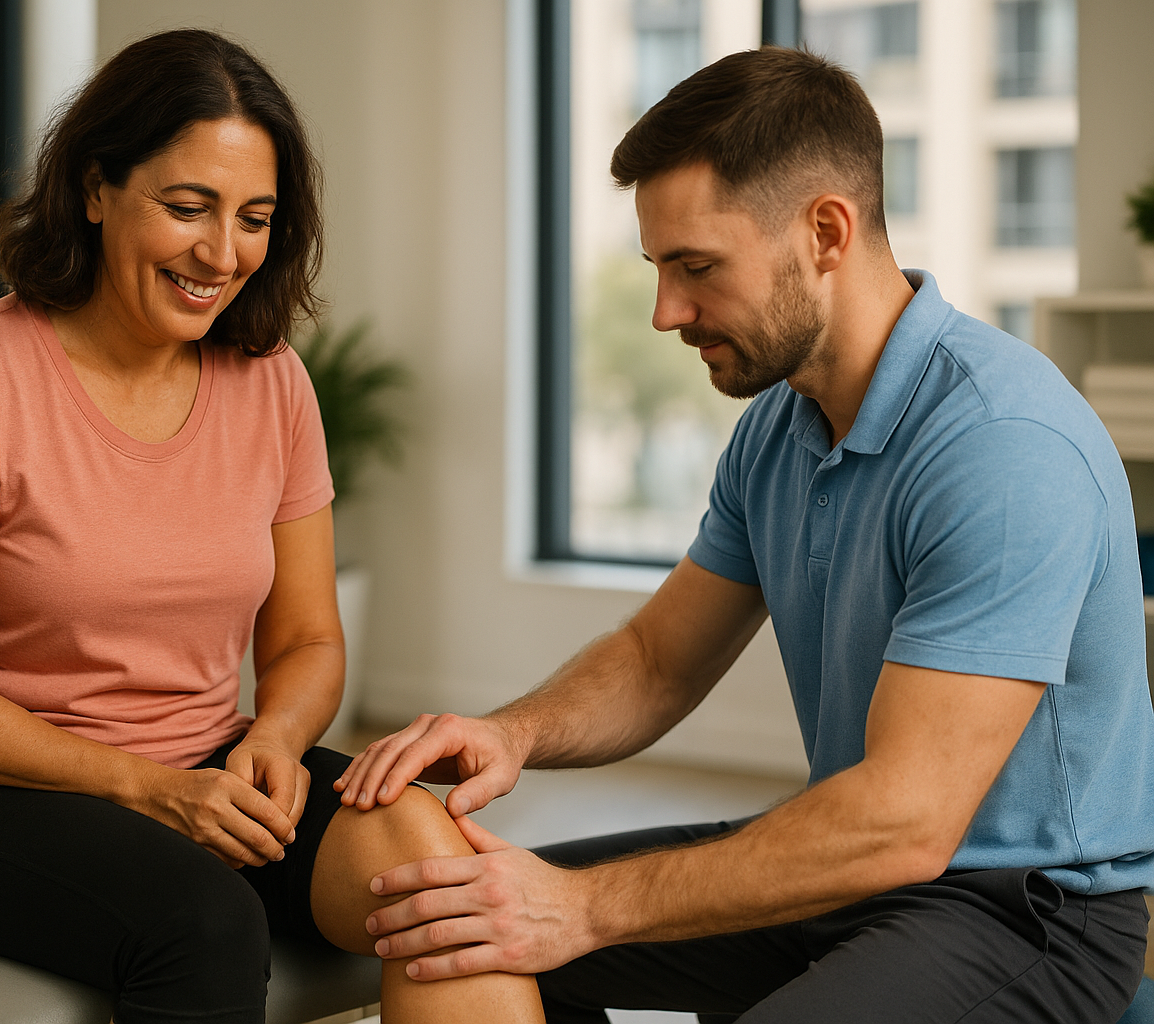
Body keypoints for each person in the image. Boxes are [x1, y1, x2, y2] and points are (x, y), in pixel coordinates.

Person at [337, 46, 1154, 1024]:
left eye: (696, 269)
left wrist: (585, 907)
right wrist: (511, 733)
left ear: (825, 231)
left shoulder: (1002, 445)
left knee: (541, 915)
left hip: (1028, 913)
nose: (664, 312)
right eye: (658, 269)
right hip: (846, 868)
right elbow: (654, 660)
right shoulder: (780, 426)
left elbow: (904, 821)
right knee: (453, 930)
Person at [0, 29, 544, 1024]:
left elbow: (305, 638)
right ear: (94, 188)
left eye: (254, 218)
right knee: (205, 923)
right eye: (187, 207)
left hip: (205, 766)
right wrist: (145, 788)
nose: (223, 254)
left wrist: (278, 735)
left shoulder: (273, 382)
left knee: (449, 883)